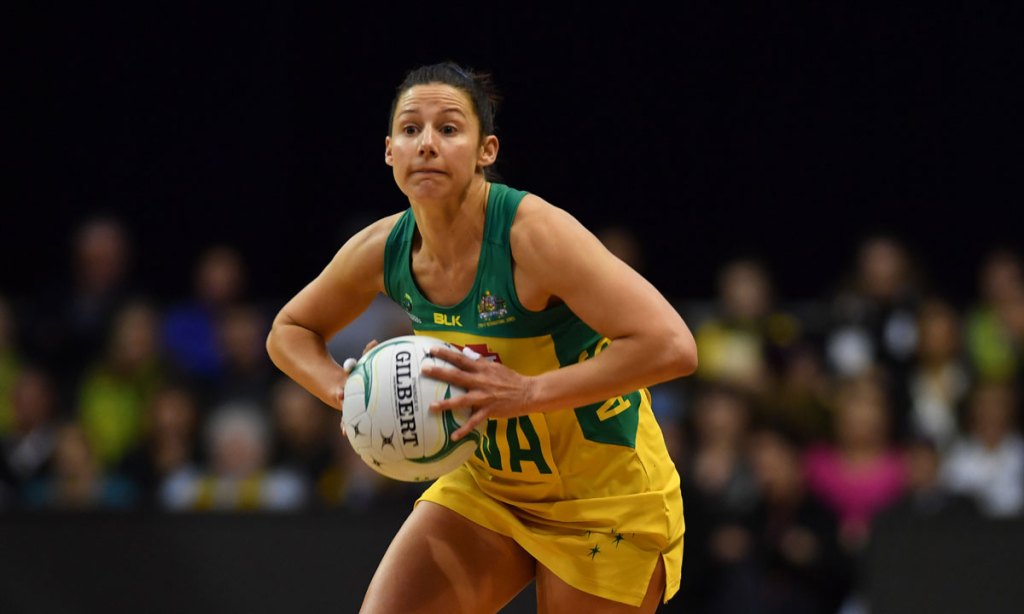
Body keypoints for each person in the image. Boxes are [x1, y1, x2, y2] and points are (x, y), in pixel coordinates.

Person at [266, 62, 698, 612]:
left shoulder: (532, 234)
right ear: (389, 152)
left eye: (448, 129)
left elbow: (672, 346)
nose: (426, 144)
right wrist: (348, 393)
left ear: (486, 150)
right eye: (410, 129)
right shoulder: (385, 248)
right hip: (489, 486)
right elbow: (288, 331)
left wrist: (527, 393)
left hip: (604, 499)